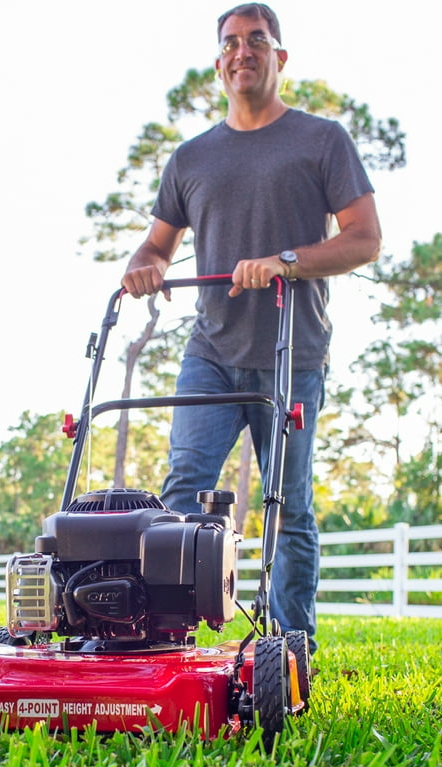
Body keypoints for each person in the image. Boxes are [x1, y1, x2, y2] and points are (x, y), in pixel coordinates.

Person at [120, 2, 381, 653]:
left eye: (257, 41)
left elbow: (365, 239)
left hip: (293, 352)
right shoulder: (192, 159)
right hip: (210, 349)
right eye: (231, 43)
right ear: (219, 64)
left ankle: (292, 648)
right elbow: (155, 246)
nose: (243, 52)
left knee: (288, 505)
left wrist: (288, 261)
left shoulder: (321, 141)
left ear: (279, 58)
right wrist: (143, 267)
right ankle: (165, 638)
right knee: (181, 489)